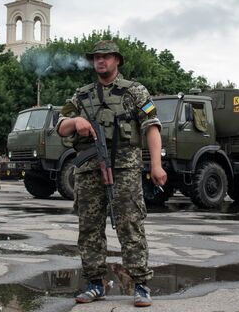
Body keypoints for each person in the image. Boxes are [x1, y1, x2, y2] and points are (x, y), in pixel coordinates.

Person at [56, 39, 167, 307]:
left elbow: (151, 126)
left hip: (126, 169)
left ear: (117, 60)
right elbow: (60, 126)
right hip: (89, 170)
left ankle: (140, 283)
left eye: (106, 56)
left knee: (130, 225)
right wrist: (76, 121)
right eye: (96, 57)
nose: (100, 61)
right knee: (89, 228)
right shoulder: (81, 96)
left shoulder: (135, 92)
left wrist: (156, 165)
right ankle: (96, 282)